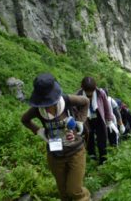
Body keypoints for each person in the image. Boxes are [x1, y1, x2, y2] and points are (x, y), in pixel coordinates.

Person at [21, 73, 90, 201]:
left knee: (74, 191)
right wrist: (38, 131)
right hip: (55, 155)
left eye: (49, 102)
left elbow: (86, 102)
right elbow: (24, 120)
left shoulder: (67, 100)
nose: (47, 106)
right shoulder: (37, 110)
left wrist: (80, 121)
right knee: (64, 193)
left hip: (75, 151)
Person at [77, 77, 117, 164]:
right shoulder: (78, 94)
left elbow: (107, 107)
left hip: (99, 118)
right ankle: (92, 157)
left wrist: (109, 120)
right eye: (87, 93)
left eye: (91, 93)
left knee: (102, 140)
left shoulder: (101, 93)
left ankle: (103, 159)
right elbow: (75, 108)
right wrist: (78, 121)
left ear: (95, 88)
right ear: (83, 88)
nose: (89, 95)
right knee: (89, 138)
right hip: (86, 120)